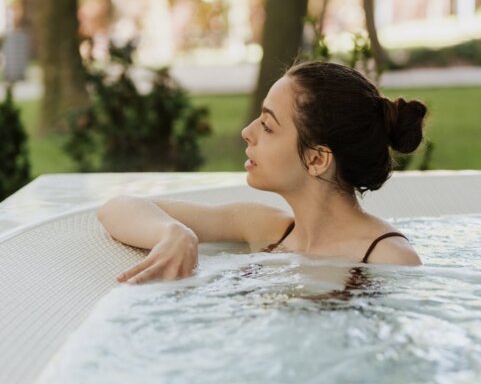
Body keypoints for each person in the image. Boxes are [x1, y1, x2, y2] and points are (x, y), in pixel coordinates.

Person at [97, 61, 427, 286]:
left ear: (316, 158)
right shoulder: (266, 228)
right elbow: (117, 207)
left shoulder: (389, 258)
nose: (247, 131)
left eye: (268, 126)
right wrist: (172, 232)